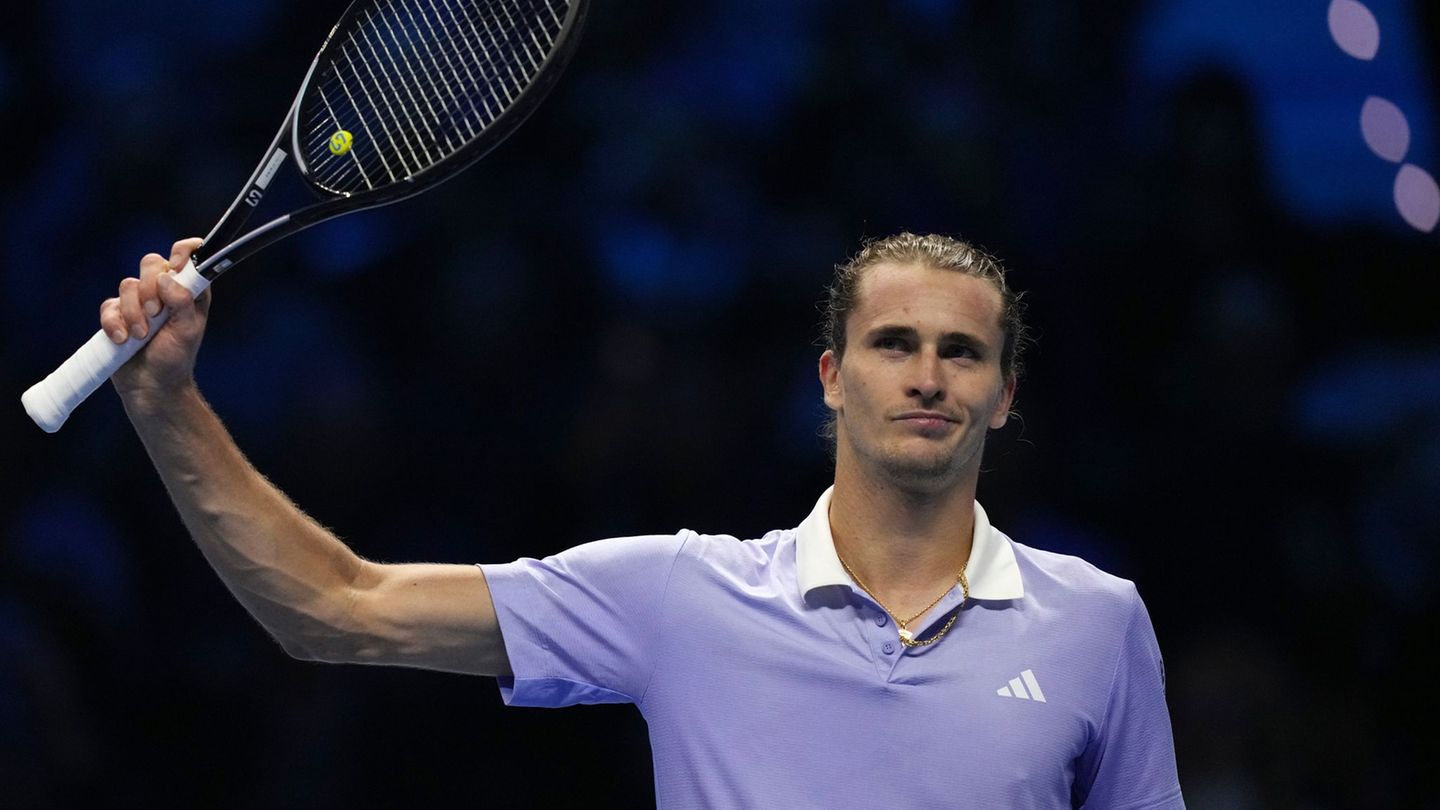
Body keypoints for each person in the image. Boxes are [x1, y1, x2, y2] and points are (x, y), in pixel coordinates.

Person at [103, 232, 1183, 808]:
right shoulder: (682, 596)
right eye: (893, 344)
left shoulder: (1095, 621)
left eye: (964, 353)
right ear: (830, 378)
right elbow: (337, 608)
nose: (928, 376)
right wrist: (165, 403)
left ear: (1003, 395)